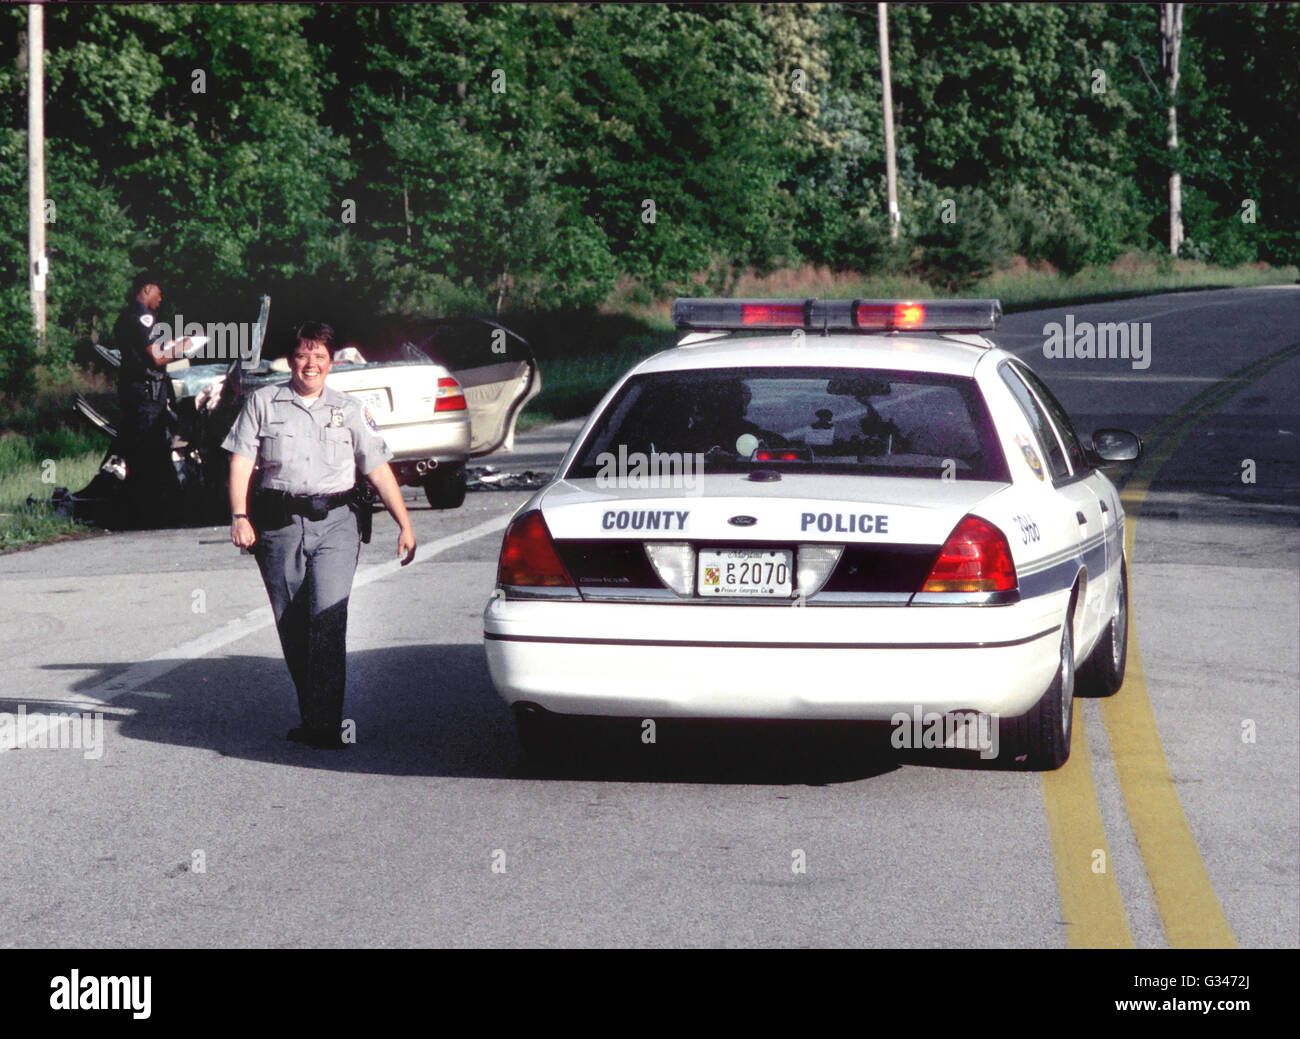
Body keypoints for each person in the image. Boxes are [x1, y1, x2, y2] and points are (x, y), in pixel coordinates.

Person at [223, 322, 417, 749]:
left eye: (320, 357)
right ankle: (314, 714)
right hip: (278, 525)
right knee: (293, 624)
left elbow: (376, 466)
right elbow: (241, 463)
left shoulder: (348, 409)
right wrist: (240, 515)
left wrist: (404, 523)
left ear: (332, 362)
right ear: (291, 359)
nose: (311, 365)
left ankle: (326, 724)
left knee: (328, 619)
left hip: (337, 522)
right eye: (303, 355)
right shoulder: (262, 402)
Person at [111, 273, 193, 525]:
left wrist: (168, 345)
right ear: (147, 288)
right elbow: (156, 358)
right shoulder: (144, 316)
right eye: (159, 293)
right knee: (151, 450)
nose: (161, 298)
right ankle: (154, 512)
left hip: (135, 392)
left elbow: (144, 349)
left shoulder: (125, 317)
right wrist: (183, 347)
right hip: (147, 394)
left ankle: (141, 510)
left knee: (139, 451)